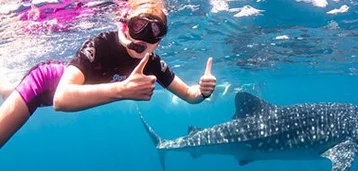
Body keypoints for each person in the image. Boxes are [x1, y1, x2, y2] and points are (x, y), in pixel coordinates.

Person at [0, 0, 217, 149]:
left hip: (61, 90)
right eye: (138, 25)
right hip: (44, 82)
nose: (144, 37)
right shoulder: (102, 44)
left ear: (158, 41)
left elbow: (189, 95)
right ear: (123, 26)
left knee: (9, 92)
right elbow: (61, 98)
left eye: (155, 31)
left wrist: (203, 92)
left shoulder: (152, 63)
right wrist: (123, 90)